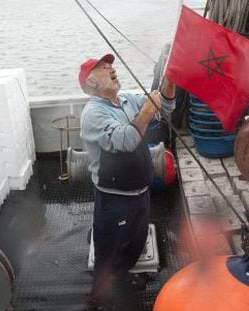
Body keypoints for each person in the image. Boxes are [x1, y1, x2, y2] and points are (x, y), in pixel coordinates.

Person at [79, 53, 175, 309]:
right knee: (108, 250)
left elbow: (163, 108)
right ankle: (98, 297)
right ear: (90, 83)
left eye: (110, 64)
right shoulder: (93, 114)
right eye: (102, 67)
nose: (111, 67)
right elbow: (125, 140)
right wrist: (146, 111)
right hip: (114, 199)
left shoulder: (127, 99)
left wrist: (170, 79)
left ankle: (123, 275)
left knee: (136, 240)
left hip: (141, 192)